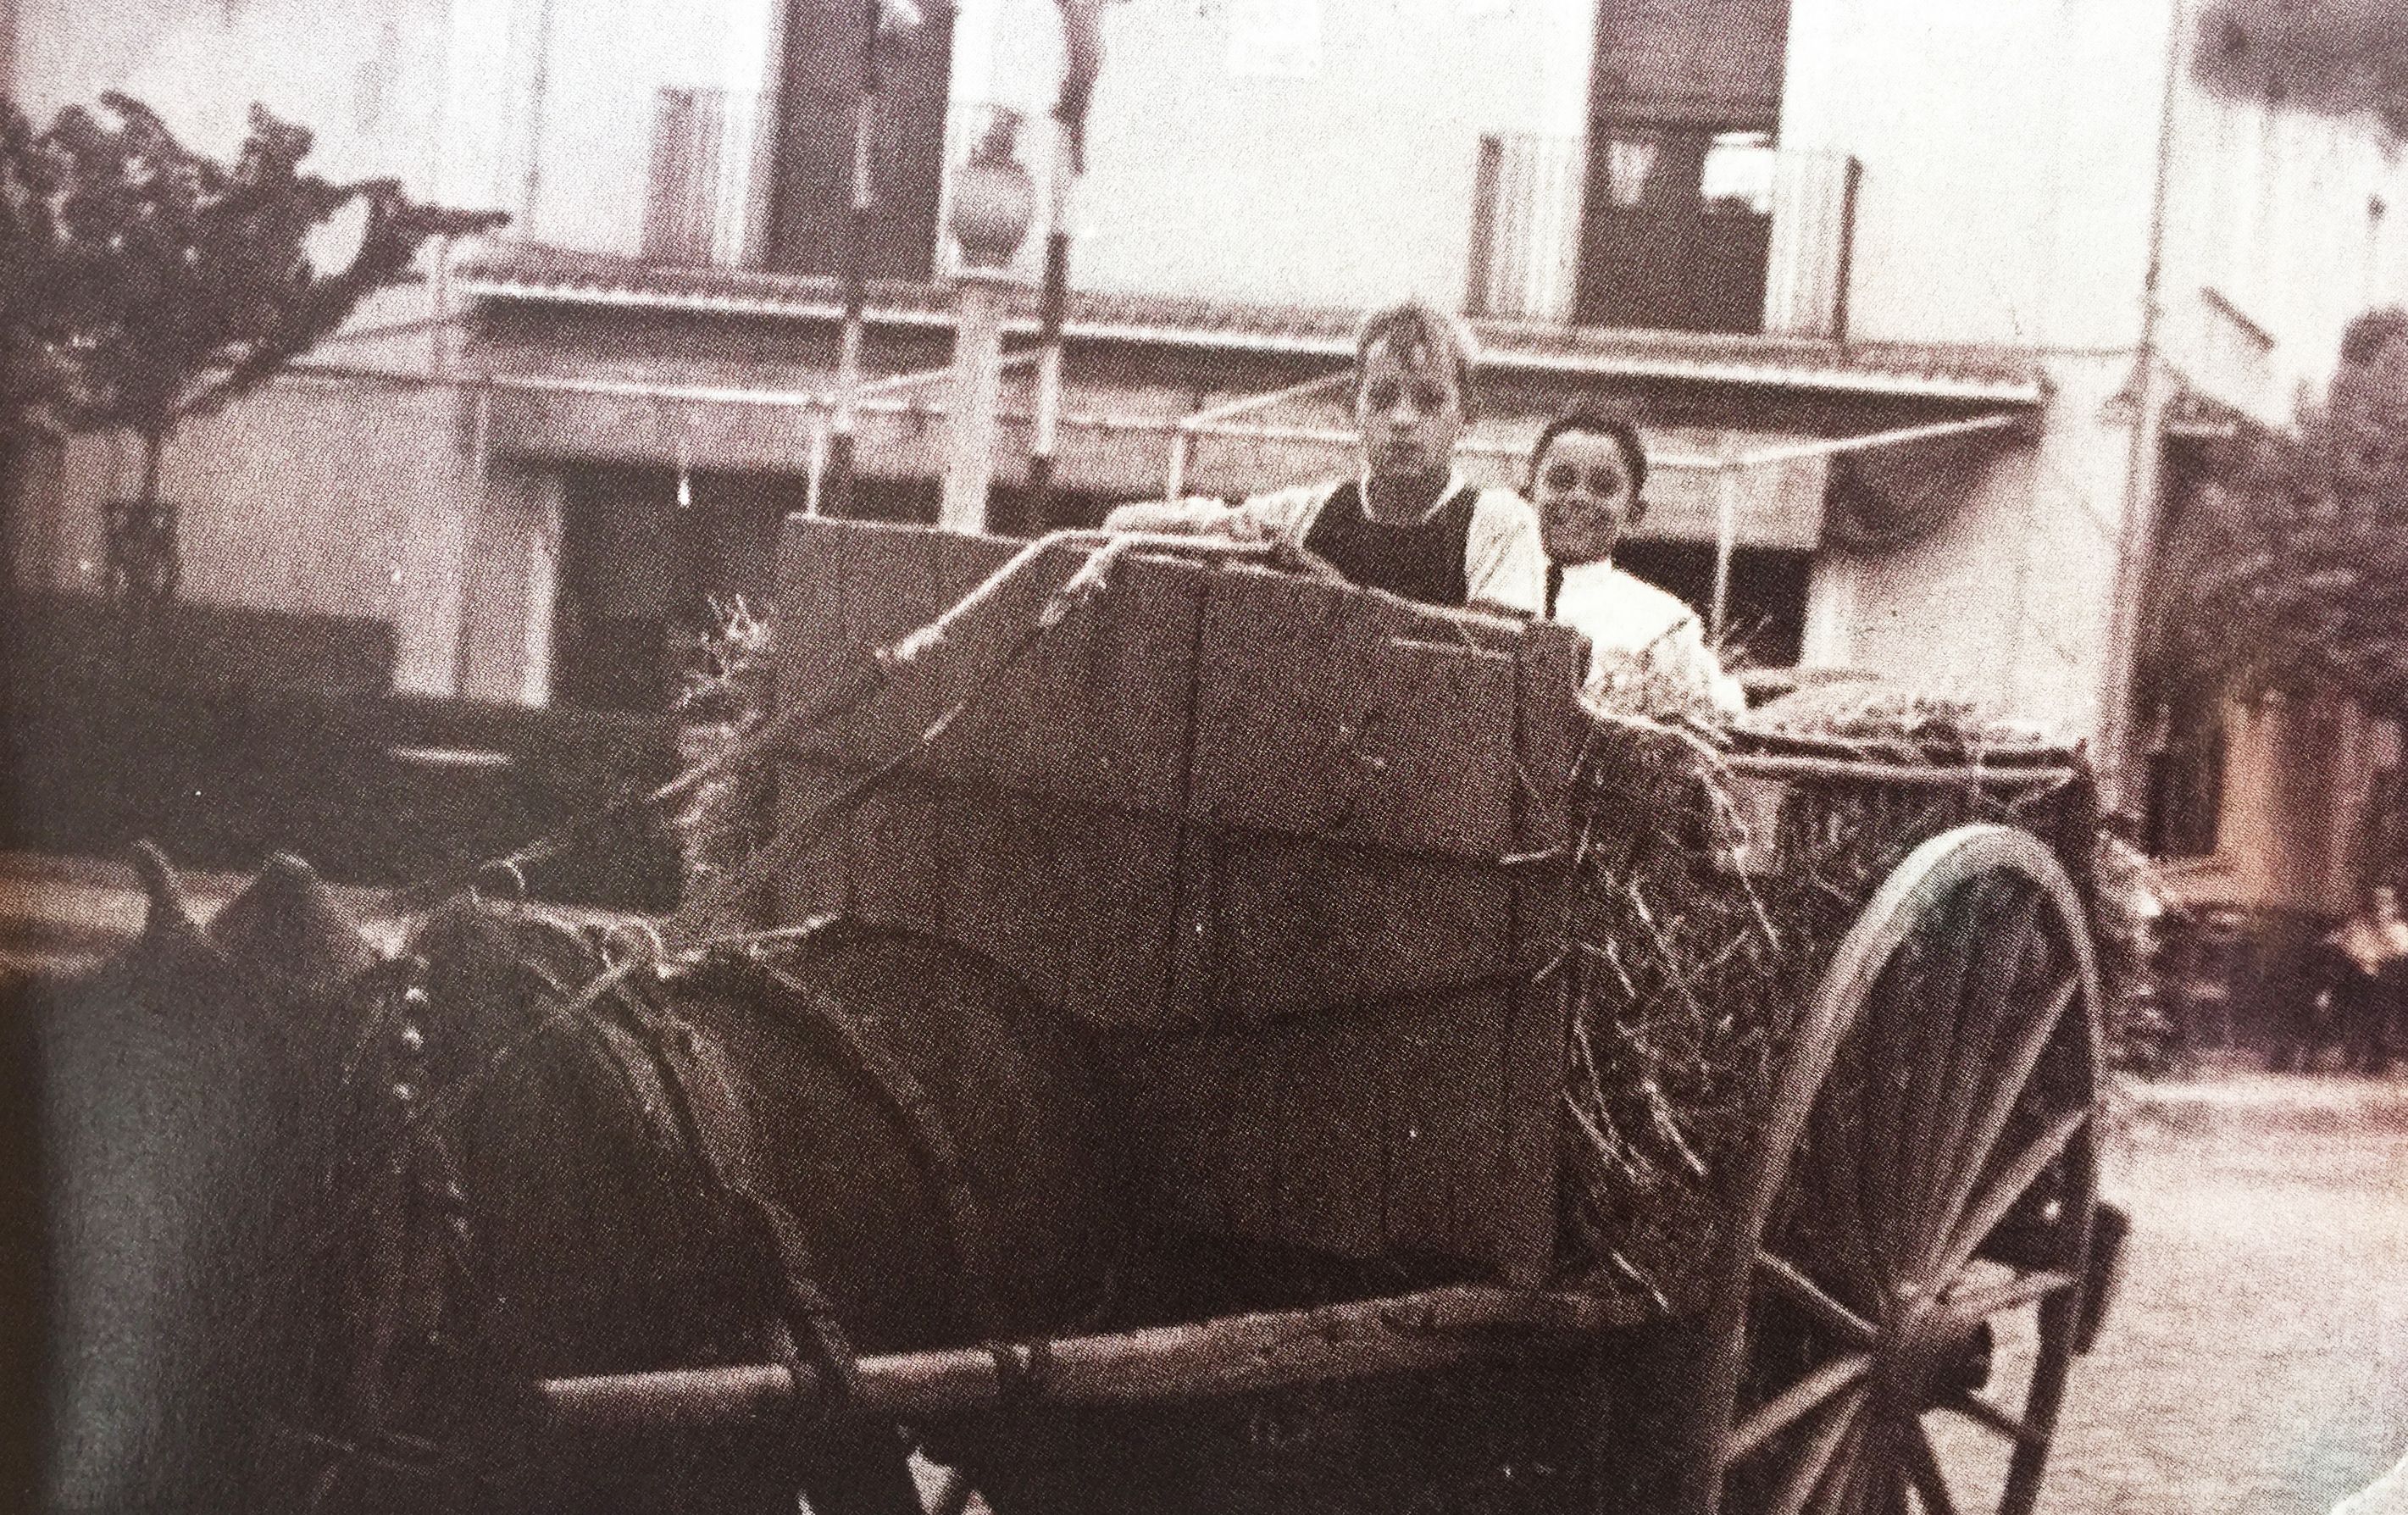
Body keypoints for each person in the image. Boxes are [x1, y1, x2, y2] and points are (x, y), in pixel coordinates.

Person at [1103, 300, 1546, 615]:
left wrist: (1338, 598)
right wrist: (1178, 524)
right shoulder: (1304, 514)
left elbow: (1487, 663)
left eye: (1428, 400)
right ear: (1355, 407)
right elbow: (1142, 524)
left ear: (1466, 415)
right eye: (1383, 397)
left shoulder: (1499, 523)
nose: (1403, 419)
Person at [1526, 407, 1745, 716]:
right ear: (1528, 493)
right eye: (1561, 481)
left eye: (1603, 487)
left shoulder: (1662, 625)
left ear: (1634, 513)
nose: (1578, 497)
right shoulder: (1477, 583)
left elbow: (1716, 722)